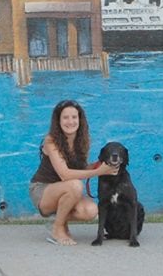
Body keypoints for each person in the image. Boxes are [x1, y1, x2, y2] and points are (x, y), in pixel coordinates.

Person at [29, 99, 119, 246]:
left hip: (66, 189)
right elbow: (65, 174)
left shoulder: (83, 140)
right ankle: (58, 228)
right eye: (65, 117)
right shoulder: (50, 140)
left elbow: (81, 169)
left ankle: (58, 219)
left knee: (91, 210)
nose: (70, 121)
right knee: (75, 185)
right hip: (42, 189)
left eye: (74, 117)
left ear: (80, 119)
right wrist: (98, 171)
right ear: (58, 121)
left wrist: (103, 166)